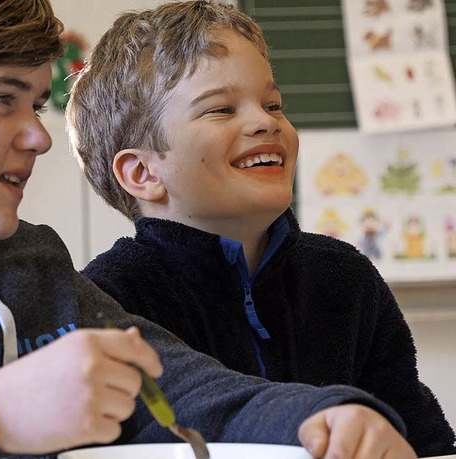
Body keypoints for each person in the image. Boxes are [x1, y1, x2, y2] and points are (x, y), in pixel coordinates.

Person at [0, 0, 419, 458]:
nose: (40, 137)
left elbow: (181, 386)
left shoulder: (31, 268)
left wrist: (320, 414)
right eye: (4, 99)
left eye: (36, 104)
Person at [65, 0, 456, 457]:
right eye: (221, 109)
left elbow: (423, 440)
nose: (265, 121)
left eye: (273, 103)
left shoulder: (345, 277)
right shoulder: (109, 298)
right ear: (143, 174)